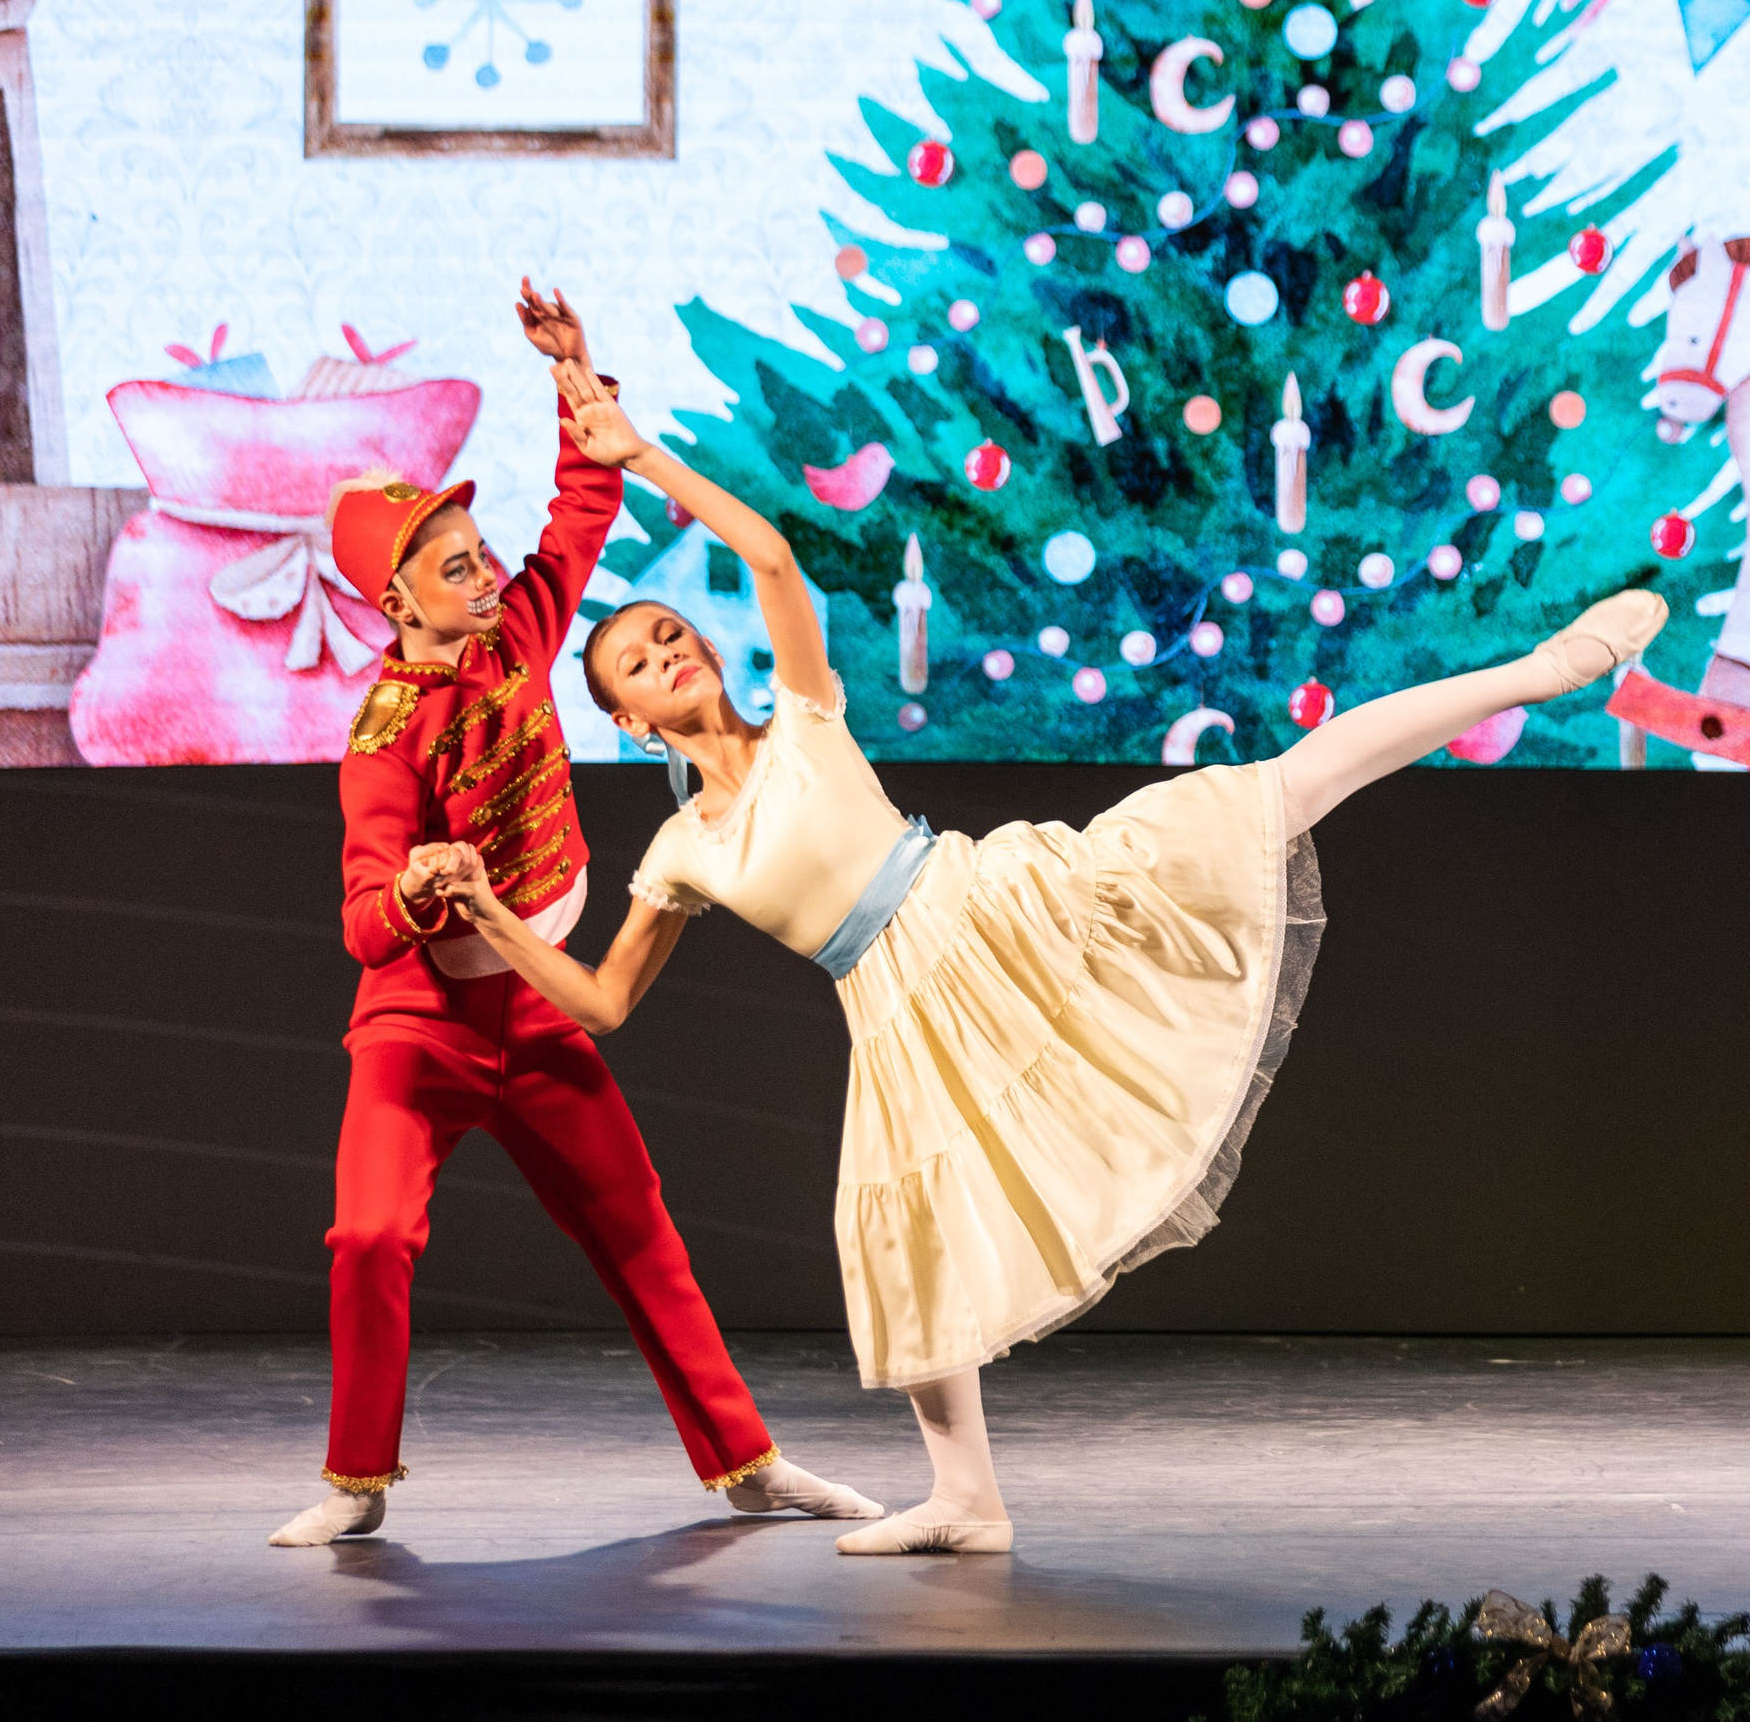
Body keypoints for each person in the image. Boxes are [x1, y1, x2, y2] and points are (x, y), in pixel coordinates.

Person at [414, 360, 1668, 1556]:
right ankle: (967, 1497)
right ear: (627, 719)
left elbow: (775, 556)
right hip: (890, 1004)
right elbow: (607, 1002)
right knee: (901, 1238)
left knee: (1267, 794)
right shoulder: (681, 847)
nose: (666, 651)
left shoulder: (803, 714)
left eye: (670, 630)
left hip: (984, 903)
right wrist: (491, 916)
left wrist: (641, 457)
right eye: (636, 659)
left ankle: (1541, 669)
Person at [268, 292, 879, 1547]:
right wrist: (415, 890)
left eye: (477, 555)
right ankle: (355, 1480)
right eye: (453, 567)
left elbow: (579, 508)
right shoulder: (380, 744)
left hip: (539, 1014)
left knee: (640, 1231)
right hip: (421, 1028)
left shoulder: (520, 634)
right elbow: (360, 928)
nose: (484, 575)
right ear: (398, 604)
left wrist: (573, 372)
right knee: (369, 1230)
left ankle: (746, 1462)